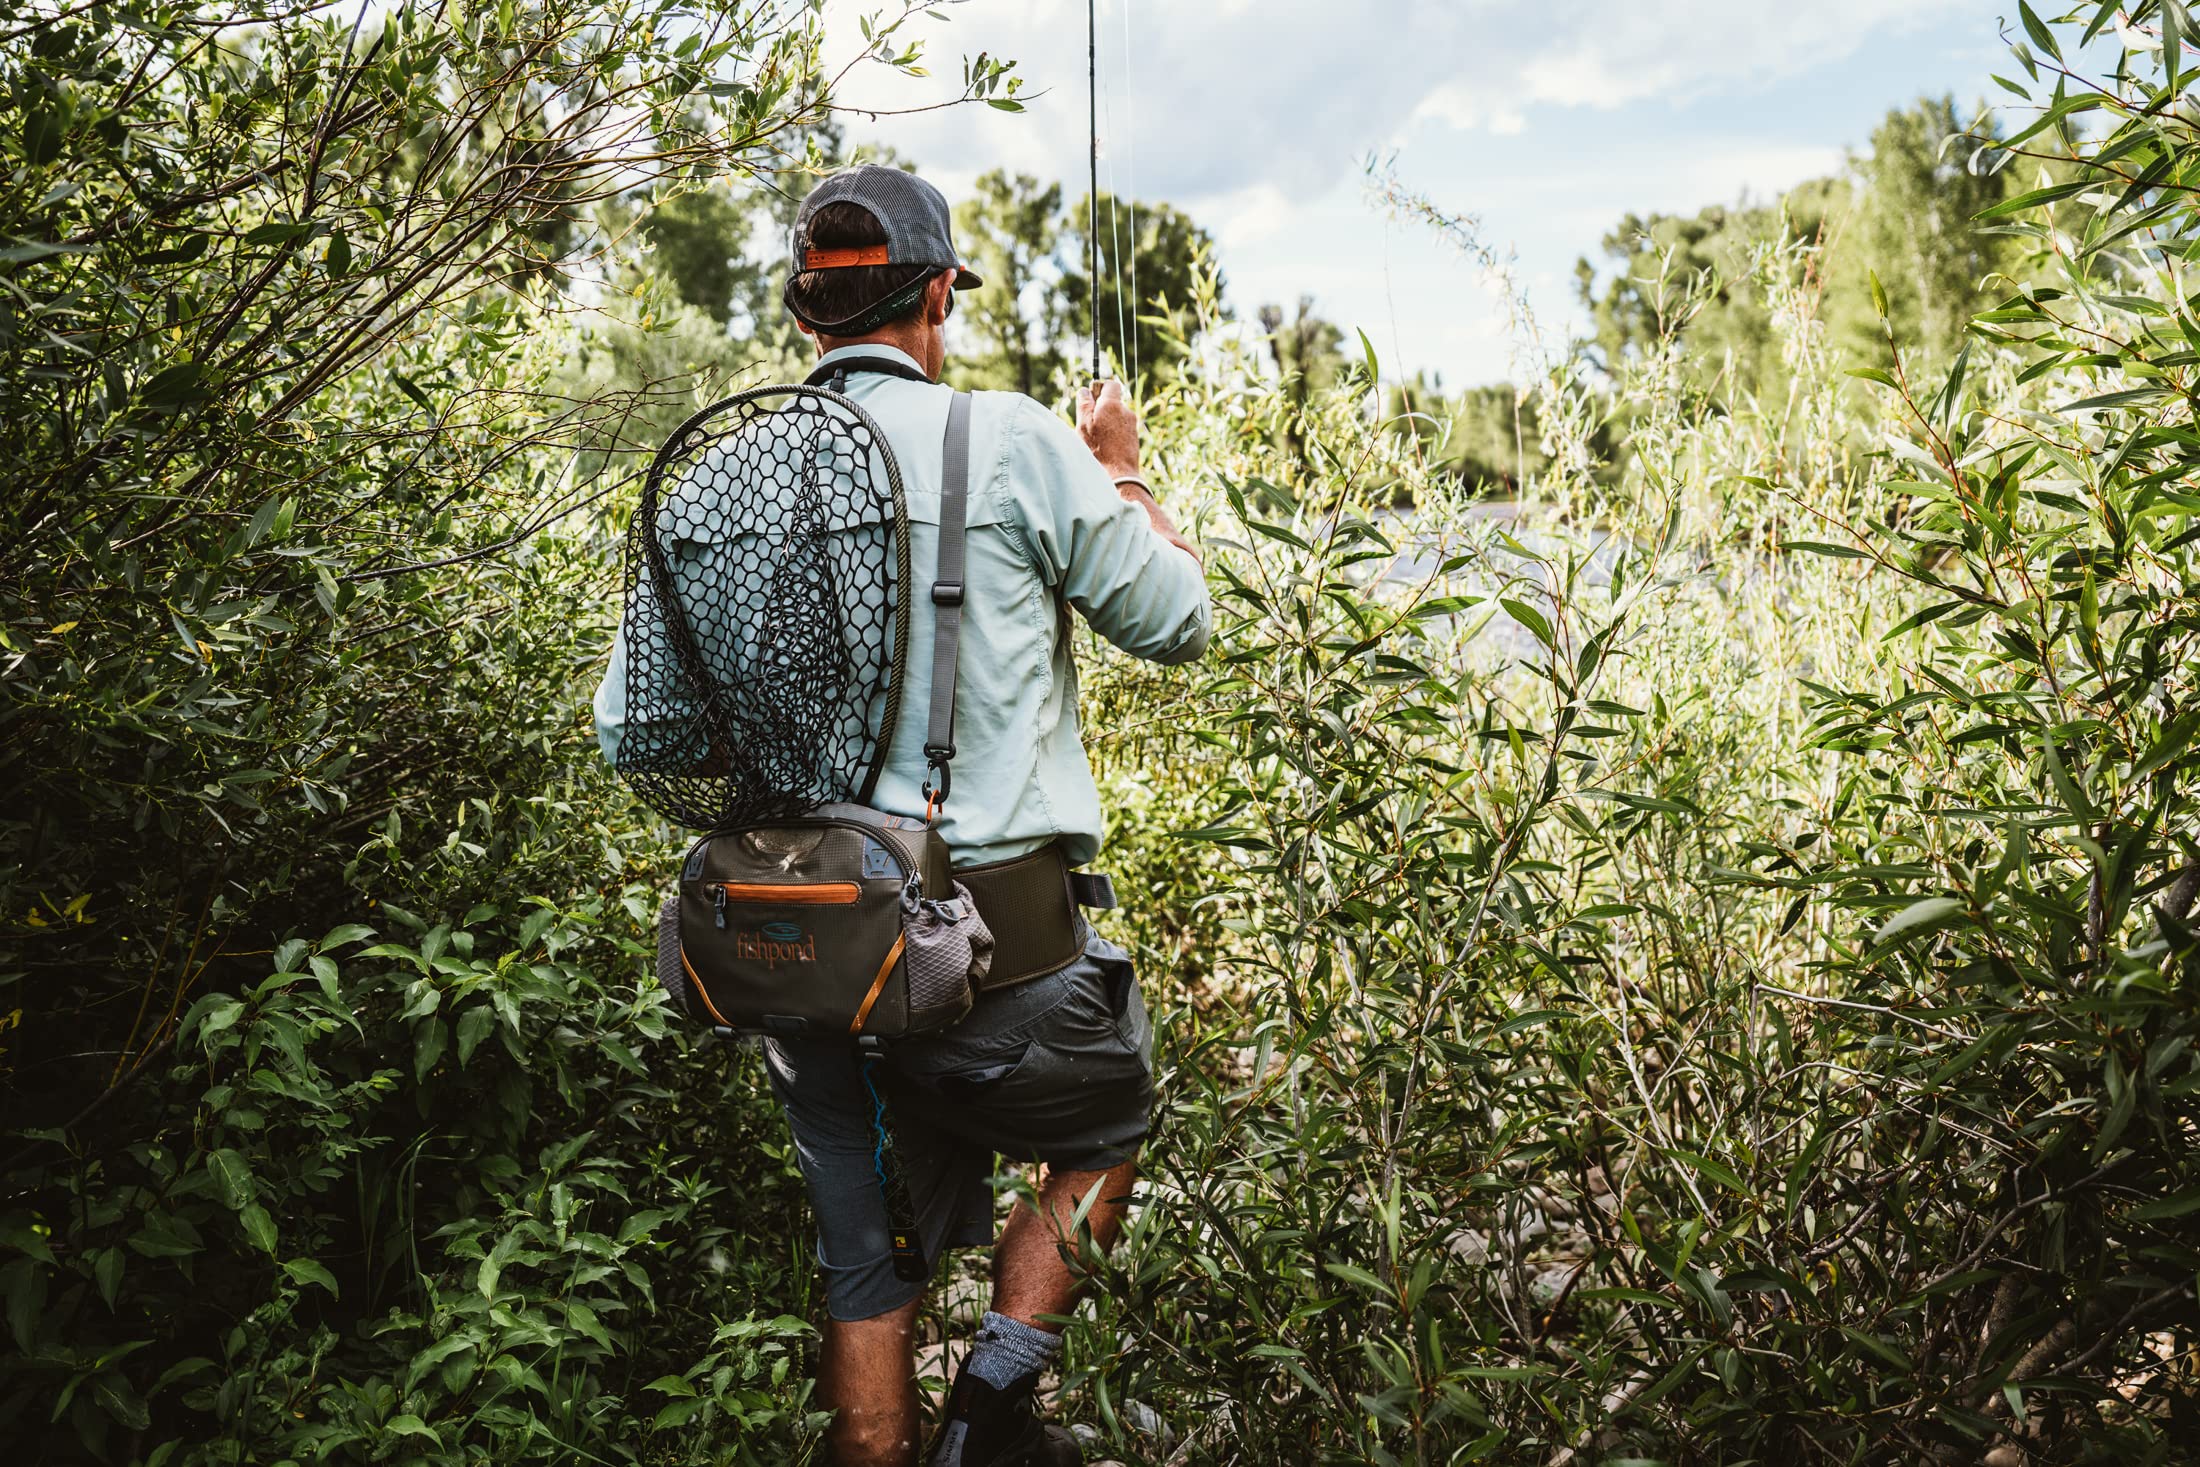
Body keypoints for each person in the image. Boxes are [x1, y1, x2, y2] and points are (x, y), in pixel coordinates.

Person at [593, 165, 1209, 1467]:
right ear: (937, 295)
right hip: (1006, 951)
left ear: (805, 313)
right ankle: (991, 1409)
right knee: (1106, 1129)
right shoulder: (1020, 439)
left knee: (863, 1268)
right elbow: (1175, 620)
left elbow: (633, 736)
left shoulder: (711, 481)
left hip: (805, 952)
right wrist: (1124, 479)